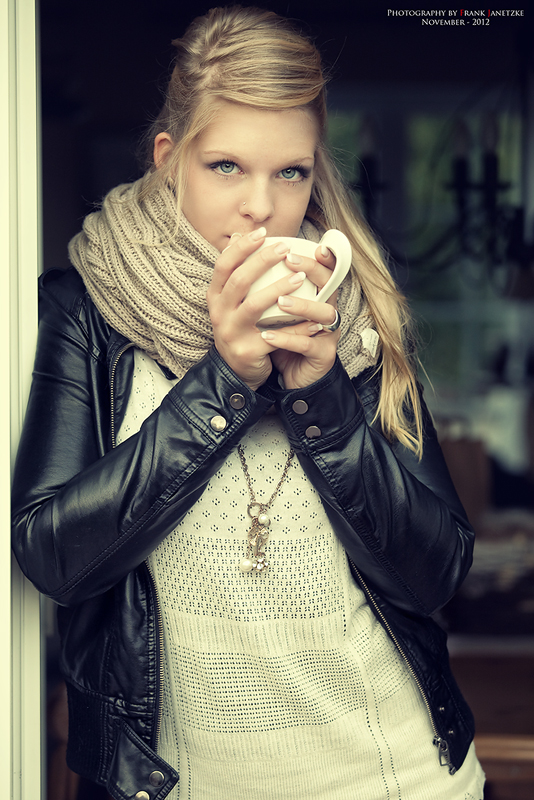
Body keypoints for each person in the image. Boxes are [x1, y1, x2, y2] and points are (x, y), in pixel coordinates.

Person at [12, 6, 485, 799]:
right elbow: (52, 557)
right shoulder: (86, 310)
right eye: (226, 166)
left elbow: (436, 573)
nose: (261, 207)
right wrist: (224, 380)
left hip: (395, 779)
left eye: (290, 172)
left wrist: (318, 390)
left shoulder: (354, 311)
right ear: (170, 161)